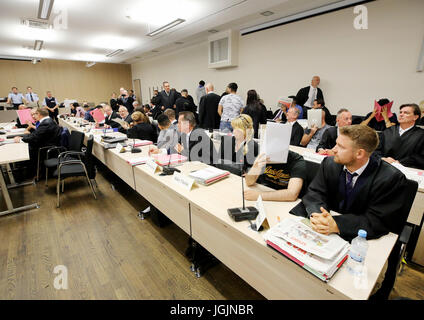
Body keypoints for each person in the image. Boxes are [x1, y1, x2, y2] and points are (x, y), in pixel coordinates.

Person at [290, 124, 410, 243]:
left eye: (340, 147)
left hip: (360, 239)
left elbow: (377, 220)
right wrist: (317, 215)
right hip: (324, 228)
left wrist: (336, 224)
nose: (333, 149)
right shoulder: (330, 163)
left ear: (359, 154)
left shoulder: (390, 178)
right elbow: (315, 193)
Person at [14, 107, 62, 176]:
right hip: (46, 144)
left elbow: (35, 137)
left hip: (45, 147)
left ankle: (28, 173)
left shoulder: (46, 123)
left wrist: (21, 139)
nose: (33, 117)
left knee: (23, 150)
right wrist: (23, 138)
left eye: (34, 115)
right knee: (24, 146)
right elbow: (36, 134)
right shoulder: (48, 121)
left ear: (38, 114)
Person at [375, 103, 424, 169]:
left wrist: (398, 162)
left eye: (406, 113)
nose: (401, 114)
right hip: (383, 167)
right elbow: (376, 149)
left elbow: (420, 157)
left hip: (407, 170)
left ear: (415, 117)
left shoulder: (421, 135)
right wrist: (383, 158)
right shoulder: (388, 131)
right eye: (400, 112)